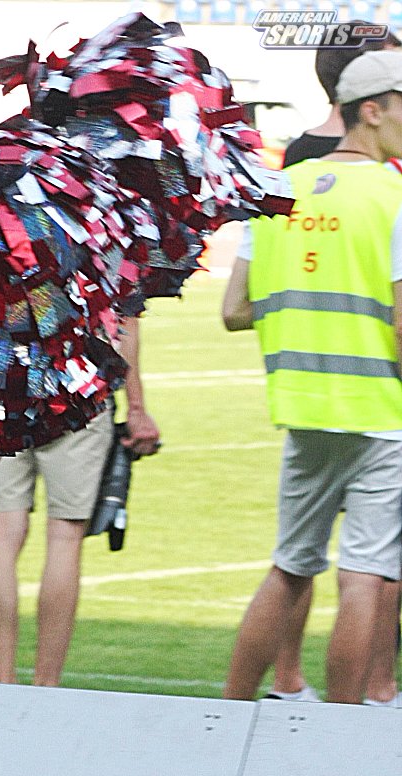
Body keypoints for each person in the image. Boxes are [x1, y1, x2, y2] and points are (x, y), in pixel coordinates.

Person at [222, 51, 402, 705]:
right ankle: (345, 726)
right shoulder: (392, 195)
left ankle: (229, 714)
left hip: (301, 403)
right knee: (365, 575)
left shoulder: (279, 186)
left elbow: (234, 310)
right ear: (371, 111)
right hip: (380, 406)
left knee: (291, 567)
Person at [0, 318, 160, 685]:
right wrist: (136, 408)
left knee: (3, 534)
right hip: (77, 388)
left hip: (4, 381)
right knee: (64, 537)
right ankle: (47, 684)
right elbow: (124, 323)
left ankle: (3, 680)